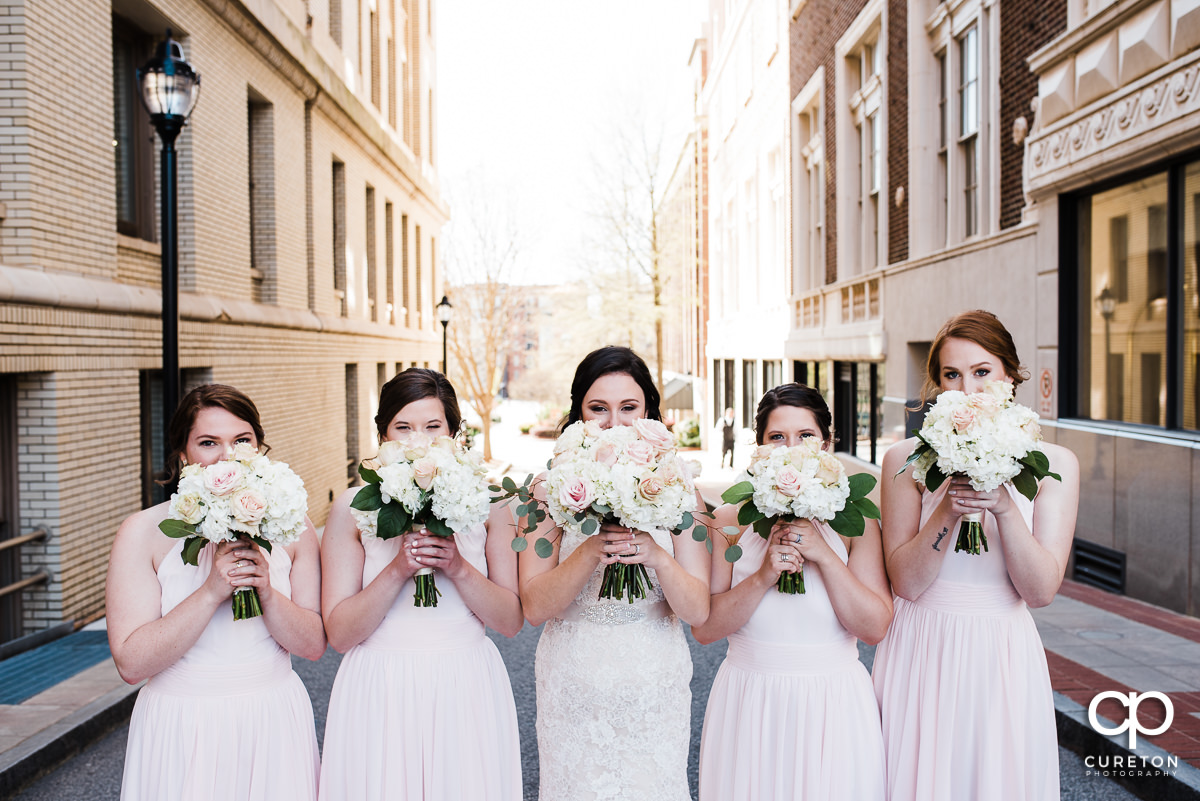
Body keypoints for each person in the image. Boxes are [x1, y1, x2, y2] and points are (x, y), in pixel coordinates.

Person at [872, 310, 1080, 801]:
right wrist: (948, 506)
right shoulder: (906, 460)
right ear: (938, 384)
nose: (967, 389)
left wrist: (1006, 507)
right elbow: (906, 582)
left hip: (1000, 650)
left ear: (1009, 376)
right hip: (922, 642)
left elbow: (1040, 590)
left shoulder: (1055, 466)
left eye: (982, 372)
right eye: (952, 374)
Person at [106, 384, 325, 801]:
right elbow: (131, 663)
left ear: (259, 448)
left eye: (242, 440)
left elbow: (313, 645)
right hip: (182, 724)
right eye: (209, 442)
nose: (227, 455)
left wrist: (267, 591)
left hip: (272, 719)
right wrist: (210, 591)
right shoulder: (142, 532)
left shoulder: (295, 528)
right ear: (183, 455)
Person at [319, 368, 523, 801]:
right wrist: (396, 569)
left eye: (433, 428)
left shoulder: (491, 505)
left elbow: (509, 621)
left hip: (464, 680)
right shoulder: (351, 509)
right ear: (382, 436)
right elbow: (339, 634)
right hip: (379, 683)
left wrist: (458, 566)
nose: (419, 442)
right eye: (403, 428)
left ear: (454, 433)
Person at [517, 346, 710, 801]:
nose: (615, 423)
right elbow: (534, 607)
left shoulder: (681, 490)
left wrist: (656, 556)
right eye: (598, 409)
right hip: (574, 679)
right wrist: (591, 549)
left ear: (649, 415)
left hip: (653, 678)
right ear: (577, 415)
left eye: (629, 408)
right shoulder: (547, 492)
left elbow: (698, 610)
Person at [693, 383, 891, 801]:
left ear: (828, 443)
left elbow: (874, 628)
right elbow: (706, 628)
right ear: (760, 448)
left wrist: (824, 554)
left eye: (806, 436)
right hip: (751, 699)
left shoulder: (855, 522)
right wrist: (763, 575)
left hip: (833, 701)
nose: (792, 448)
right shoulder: (731, 517)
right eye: (777, 438)